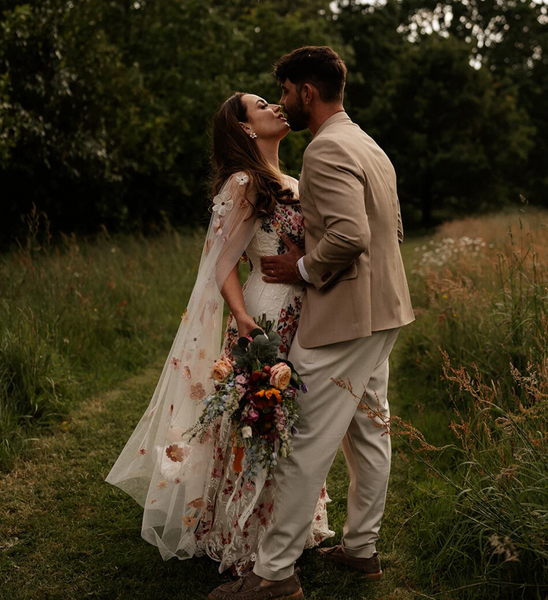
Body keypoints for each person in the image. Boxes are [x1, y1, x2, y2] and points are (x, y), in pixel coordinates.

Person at [209, 46, 414, 600]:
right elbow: (391, 229)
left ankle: (274, 574)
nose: (281, 102)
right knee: (370, 432)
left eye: (284, 91)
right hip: (387, 310)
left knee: (302, 439)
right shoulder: (368, 144)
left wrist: (301, 264)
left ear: (307, 91)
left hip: (346, 317)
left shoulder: (324, 151)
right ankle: (362, 549)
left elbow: (352, 237)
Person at [105, 92, 333, 576]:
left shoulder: (289, 179)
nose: (276, 107)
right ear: (245, 128)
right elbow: (220, 262)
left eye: (275, 100)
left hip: (302, 310)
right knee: (258, 413)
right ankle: (241, 530)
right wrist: (242, 318)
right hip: (264, 313)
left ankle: (286, 523)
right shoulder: (245, 182)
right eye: (262, 104)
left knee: (296, 411)